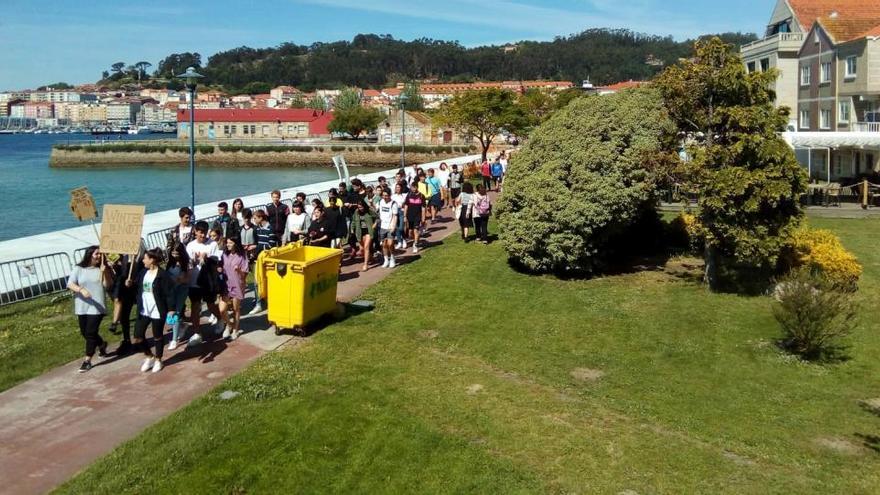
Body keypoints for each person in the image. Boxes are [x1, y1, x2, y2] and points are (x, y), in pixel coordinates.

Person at [67, 246, 112, 372]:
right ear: (89, 254)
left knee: (91, 332)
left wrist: (106, 272)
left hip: (97, 306)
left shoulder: (101, 269)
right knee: (85, 332)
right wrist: (81, 290)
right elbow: (70, 283)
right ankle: (102, 344)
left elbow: (108, 286)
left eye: (100, 254)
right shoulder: (79, 269)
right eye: (96, 254)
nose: (99, 256)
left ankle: (87, 360)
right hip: (82, 306)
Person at [131, 248, 175, 373]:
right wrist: (131, 284)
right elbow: (138, 285)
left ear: (152, 260)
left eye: (145, 258)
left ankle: (158, 359)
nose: (143, 260)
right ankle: (149, 356)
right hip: (144, 309)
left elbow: (169, 293)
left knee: (157, 336)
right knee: (138, 336)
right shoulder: (143, 272)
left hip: (157, 309)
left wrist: (171, 309)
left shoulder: (163, 275)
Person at [185, 221, 222, 346]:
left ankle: (220, 319)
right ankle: (197, 333)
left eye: (204, 233)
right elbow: (187, 263)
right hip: (194, 282)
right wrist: (194, 260)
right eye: (200, 233)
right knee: (195, 307)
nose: (202, 235)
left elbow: (217, 259)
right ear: (195, 231)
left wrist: (207, 258)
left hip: (207, 280)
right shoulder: (190, 246)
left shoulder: (212, 244)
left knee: (211, 304)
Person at [248, 210, 278, 315]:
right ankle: (259, 302)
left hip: (267, 260)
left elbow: (271, 245)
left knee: (265, 282)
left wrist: (257, 248)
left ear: (261, 218)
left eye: (255, 218)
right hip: (258, 258)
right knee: (257, 282)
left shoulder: (270, 229)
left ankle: (263, 302)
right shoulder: (258, 229)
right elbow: (259, 242)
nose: (254, 220)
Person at [219, 237, 248, 340]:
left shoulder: (242, 256)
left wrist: (239, 270)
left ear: (236, 244)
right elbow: (221, 267)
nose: (228, 245)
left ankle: (235, 329)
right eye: (227, 243)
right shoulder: (224, 255)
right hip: (226, 285)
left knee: (236, 309)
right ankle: (229, 324)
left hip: (237, 285)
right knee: (222, 309)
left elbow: (245, 274)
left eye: (230, 243)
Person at [165, 241, 189, 351]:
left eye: (177, 253)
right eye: (173, 253)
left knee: (177, 312)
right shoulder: (170, 263)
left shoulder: (185, 263)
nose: (175, 256)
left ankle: (174, 340)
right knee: (170, 315)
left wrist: (179, 279)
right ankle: (182, 325)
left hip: (181, 290)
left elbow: (186, 278)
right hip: (171, 291)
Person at [350, 201, 377, 271]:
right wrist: (352, 228)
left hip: (369, 230)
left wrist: (375, 224)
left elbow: (377, 217)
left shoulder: (369, 211)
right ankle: (371, 258)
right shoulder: (356, 212)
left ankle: (365, 264)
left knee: (366, 247)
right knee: (362, 249)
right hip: (360, 231)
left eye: (361, 207)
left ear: (364, 206)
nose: (360, 208)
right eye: (359, 207)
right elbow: (353, 221)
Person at [377, 189, 399, 268]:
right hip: (382, 226)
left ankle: (392, 258)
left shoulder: (393, 203)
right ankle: (386, 259)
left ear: (390, 195)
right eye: (383, 195)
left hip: (390, 226)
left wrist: (393, 226)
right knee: (384, 244)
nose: (385, 197)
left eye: (386, 195)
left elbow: (395, 216)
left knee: (390, 243)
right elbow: (377, 210)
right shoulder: (381, 202)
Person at [404, 181, 426, 254]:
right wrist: (405, 215)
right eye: (412, 187)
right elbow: (406, 206)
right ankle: (416, 240)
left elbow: (423, 208)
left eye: (414, 187)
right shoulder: (409, 195)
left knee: (416, 230)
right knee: (410, 233)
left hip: (417, 216)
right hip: (410, 216)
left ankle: (415, 245)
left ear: (417, 187)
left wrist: (423, 218)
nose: (413, 189)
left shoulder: (421, 196)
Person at [391, 182, 408, 249]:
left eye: (398, 187)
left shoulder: (404, 195)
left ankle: (404, 239)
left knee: (401, 228)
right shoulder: (393, 196)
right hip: (394, 212)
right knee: (396, 228)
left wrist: (404, 211)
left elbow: (406, 204)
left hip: (401, 211)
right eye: (396, 187)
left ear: (401, 188)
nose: (397, 189)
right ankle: (399, 242)